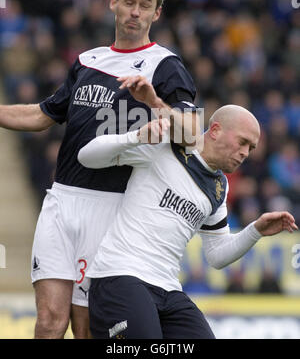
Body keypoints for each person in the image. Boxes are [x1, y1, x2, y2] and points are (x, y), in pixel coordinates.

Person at [0, 0, 197, 338]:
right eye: (129, 1)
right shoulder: (88, 60)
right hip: (62, 200)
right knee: (48, 321)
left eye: (145, 5)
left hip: (113, 210)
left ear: (157, 14)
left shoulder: (165, 65)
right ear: (113, 2)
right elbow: (43, 114)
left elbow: (191, 131)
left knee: (87, 328)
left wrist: (154, 102)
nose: (135, 12)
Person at [78, 80, 298, 339]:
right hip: (121, 275)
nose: (245, 153)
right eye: (242, 142)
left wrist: (256, 230)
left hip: (168, 288)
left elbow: (216, 254)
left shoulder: (219, 186)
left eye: (250, 148)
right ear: (214, 130)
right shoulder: (164, 146)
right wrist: (136, 137)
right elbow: (86, 156)